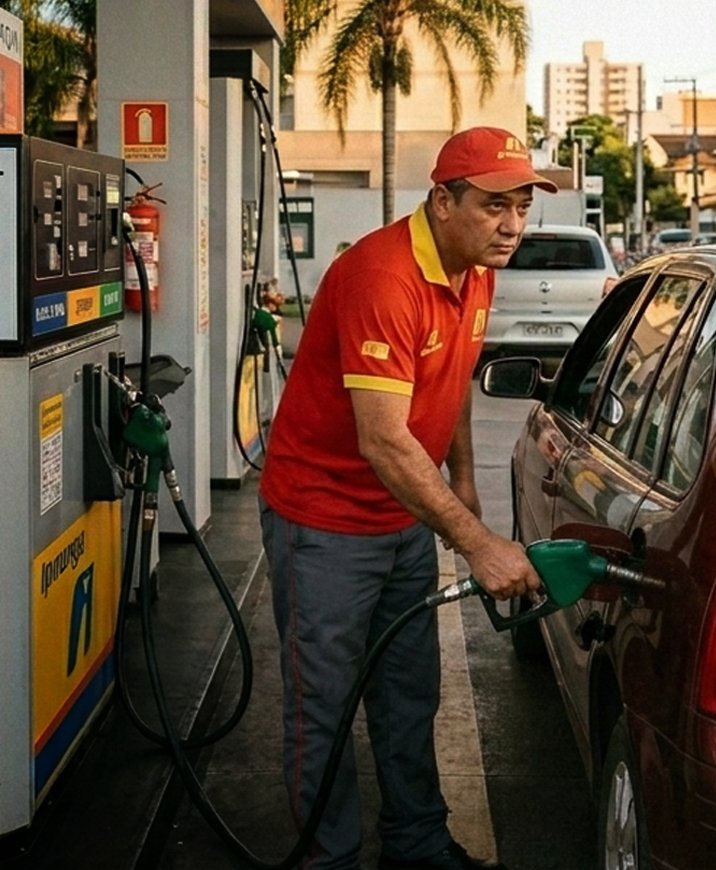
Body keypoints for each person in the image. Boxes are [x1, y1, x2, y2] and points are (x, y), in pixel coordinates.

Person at [259, 127, 556, 870]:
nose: (512, 225)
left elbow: (448, 380)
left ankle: (417, 846)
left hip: (402, 515)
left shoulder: (475, 270)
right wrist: (479, 543)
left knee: (407, 694)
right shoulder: (381, 277)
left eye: (522, 206)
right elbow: (384, 439)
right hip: (322, 519)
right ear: (443, 199)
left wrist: (461, 476)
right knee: (322, 704)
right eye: (494, 205)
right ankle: (325, 860)